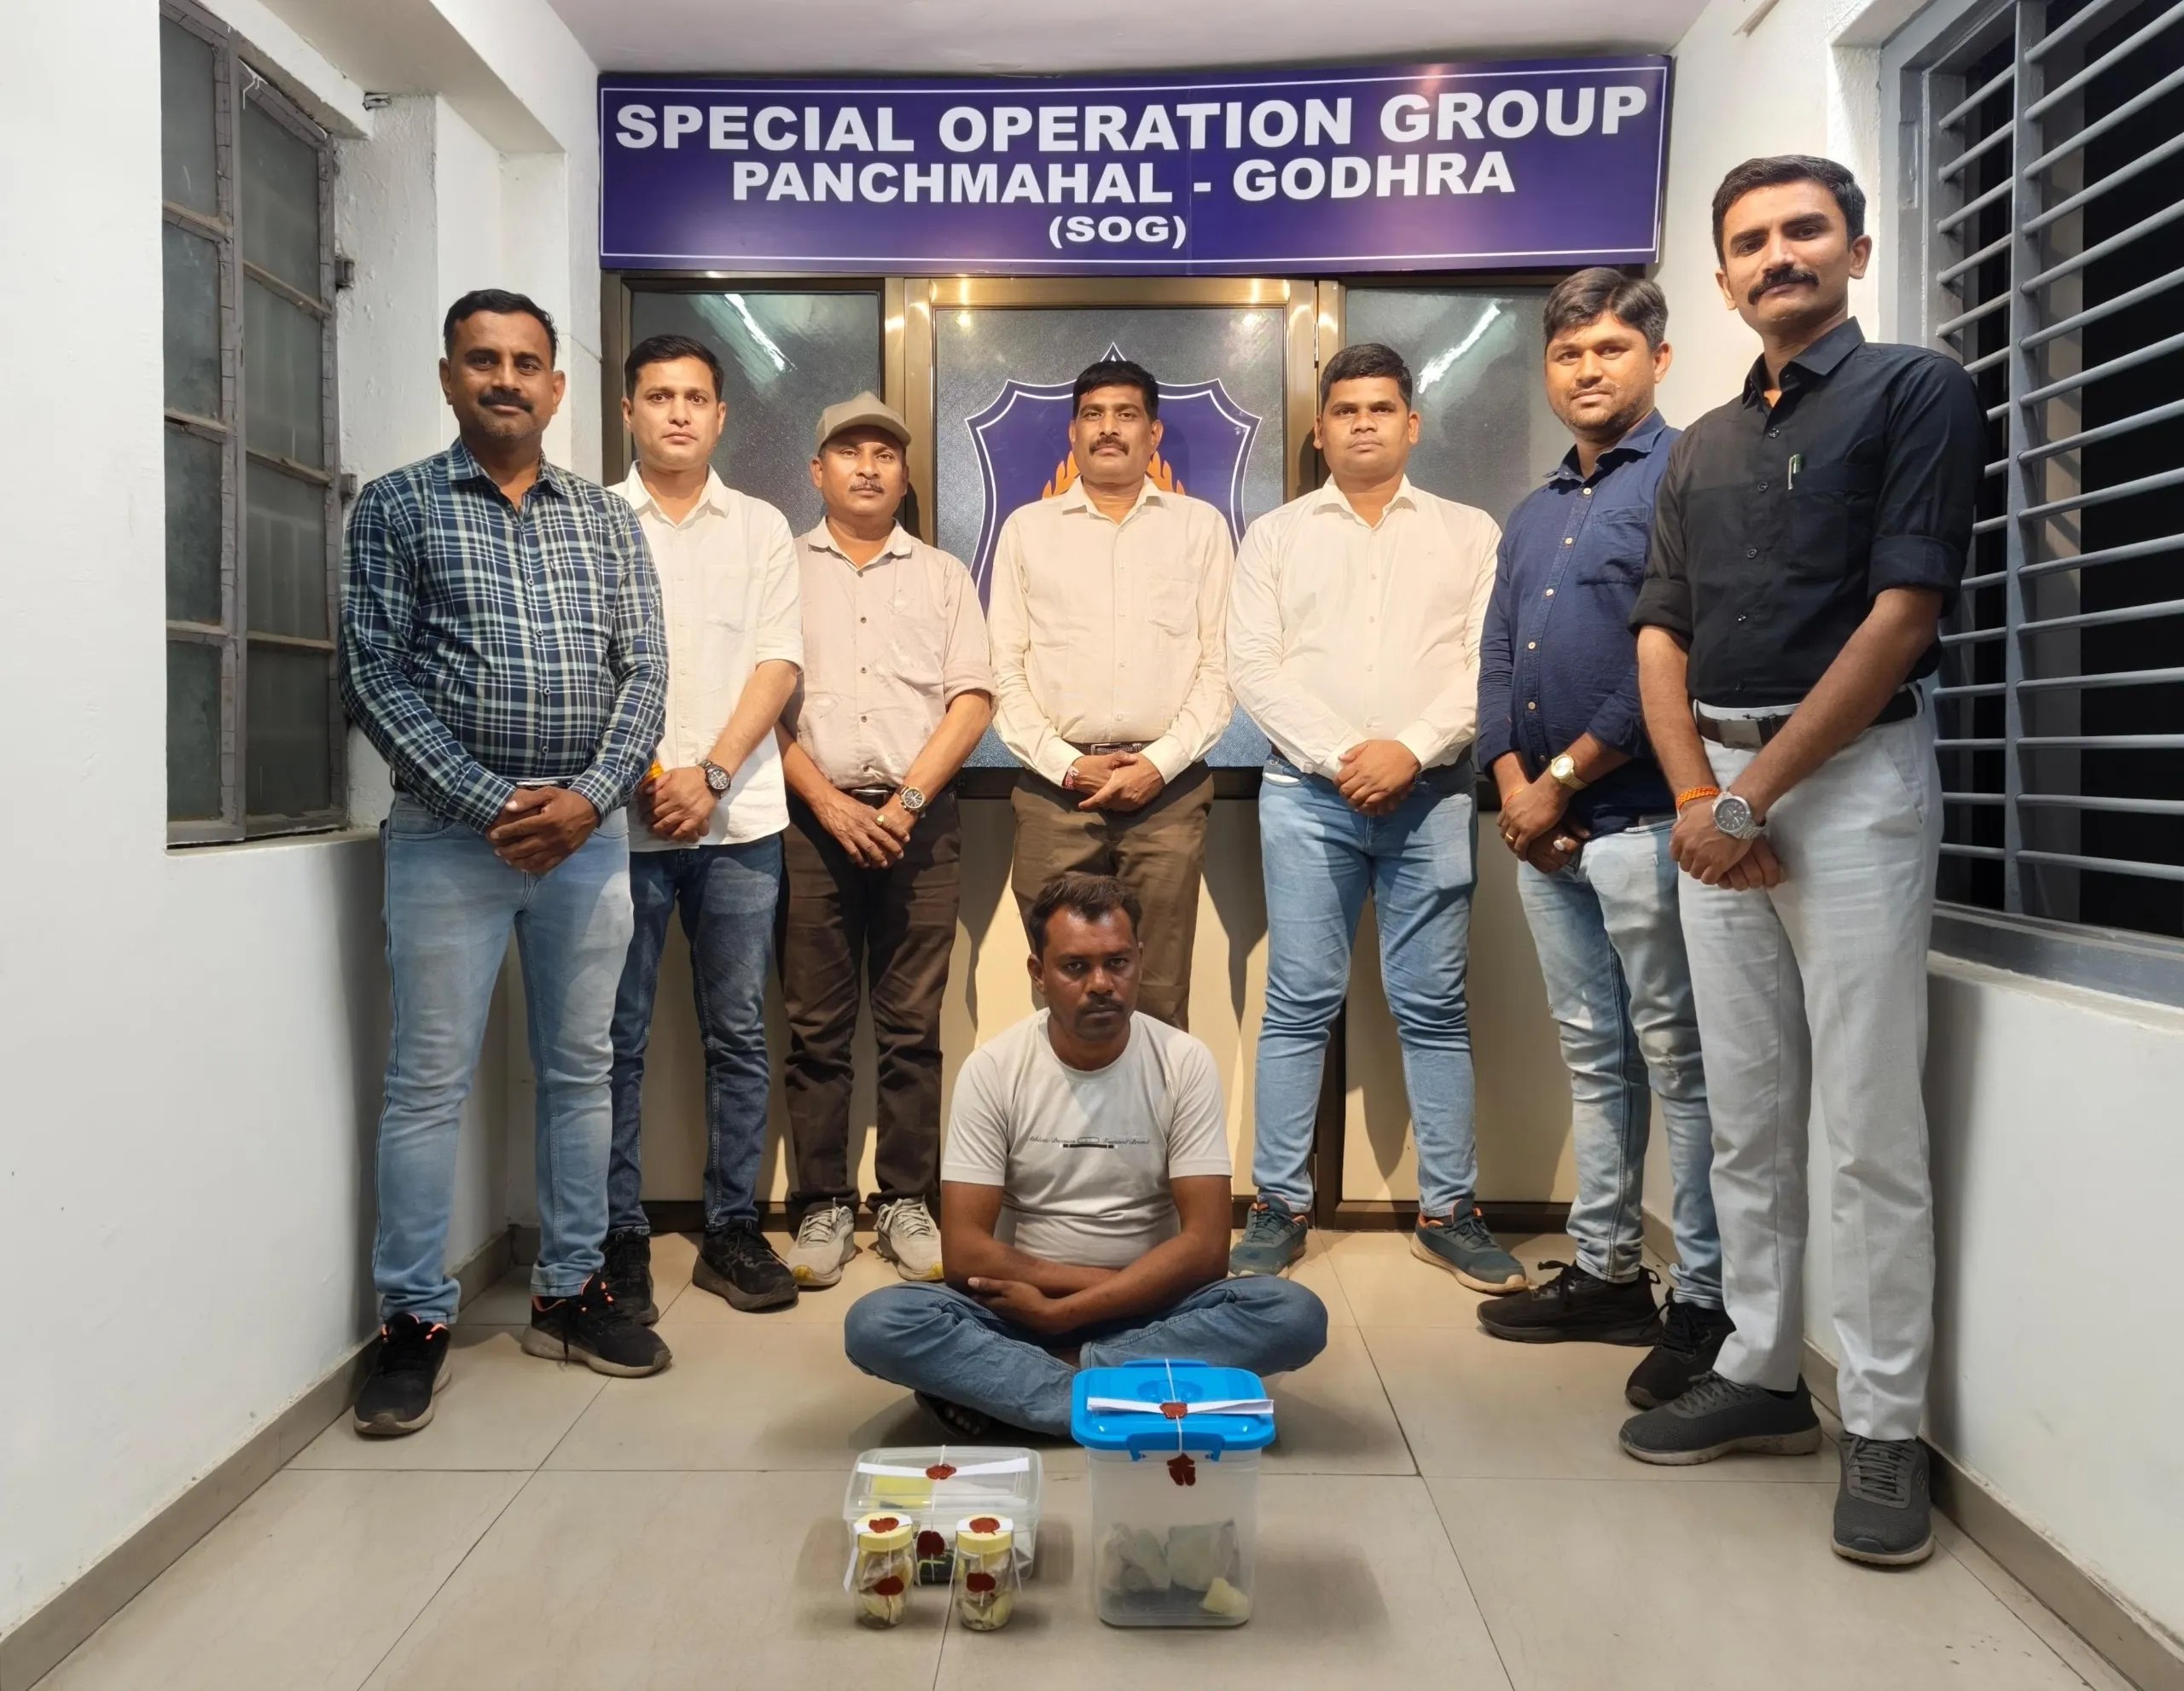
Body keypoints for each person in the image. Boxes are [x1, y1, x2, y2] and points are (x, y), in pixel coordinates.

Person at [1621, 156, 1984, 1568]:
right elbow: (1662, 630)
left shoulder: (1916, 391)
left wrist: (1751, 801)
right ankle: (1763, 1367)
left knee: (1868, 1123)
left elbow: (1902, 616)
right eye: (1751, 240)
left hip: (1849, 790)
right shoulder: (1701, 443)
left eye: (1804, 231)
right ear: (1722, 278)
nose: (1778, 255)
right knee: (1748, 1111)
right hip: (1716, 791)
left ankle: (1882, 1422)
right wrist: (1699, 796)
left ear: (1856, 248)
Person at [340, 289, 671, 1436]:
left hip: (586, 837)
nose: (505, 379)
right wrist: (495, 803)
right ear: (449, 377)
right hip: (450, 838)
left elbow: (646, 672)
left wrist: (586, 800)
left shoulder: (606, 518)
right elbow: (373, 674)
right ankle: (412, 1320)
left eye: (527, 362)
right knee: (427, 1082)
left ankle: (569, 1292)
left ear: (557, 386)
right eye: (482, 360)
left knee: (581, 1070)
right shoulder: (398, 505)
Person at [1472, 270, 1732, 1410]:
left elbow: (1674, 653)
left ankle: (1707, 1301)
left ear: (1658, 360)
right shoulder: (1534, 513)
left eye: (1611, 349)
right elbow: (1495, 657)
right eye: (1569, 353)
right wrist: (1513, 785)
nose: (1587, 369)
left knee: (1679, 1063)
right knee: (1594, 1058)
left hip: (1642, 825)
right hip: (1547, 839)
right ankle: (1610, 1271)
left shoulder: (1684, 476)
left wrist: (1563, 776)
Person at [842, 873, 1328, 1438]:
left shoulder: (1184, 1062)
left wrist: (1069, 1313)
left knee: (1293, 1314)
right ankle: (1130, 1397)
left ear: (1140, 960)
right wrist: (1068, 1298)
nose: (1101, 984)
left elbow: (1204, 1251)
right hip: (1020, 1312)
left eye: (1117, 963)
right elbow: (966, 1253)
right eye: (1075, 967)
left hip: (1153, 1308)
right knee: (878, 1323)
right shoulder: (994, 1070)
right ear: (1038, 974)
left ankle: (1034, 1390)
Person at [1225, 343, 1513, 1289]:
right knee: (1297, 1003)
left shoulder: (1470, 532)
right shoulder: (1275, 536)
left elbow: (1488, 662)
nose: (1362, 424)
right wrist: (1348, 757)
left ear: (1411, 424)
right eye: (1345, 410)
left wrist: (1410, 750)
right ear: (1319, 431)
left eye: (1380, 408)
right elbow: (1253, 664)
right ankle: (1279, 1205)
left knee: (1433, 1006)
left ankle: (1449, 1212)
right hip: (1307, 797)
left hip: (1433, 796)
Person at [602, 334, 804, 1317]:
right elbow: (585, 662)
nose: (677, 412)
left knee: (737, 1034)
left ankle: (730, 1229)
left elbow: (778, 662)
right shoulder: (592, 520)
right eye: (658, 396)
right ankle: (615, 1234)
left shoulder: (761, 527)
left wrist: (711, 773)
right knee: (613, 1040)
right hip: (620, 821)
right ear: (628, 412)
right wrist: (649, 775)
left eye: (694, 397)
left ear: (721, 416)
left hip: (741, 823)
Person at [775, 393, 994, 1289]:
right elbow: (759, 706)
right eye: (848, 452)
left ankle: (907, 1200)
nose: (867, 468)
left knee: (912, 1027)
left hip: (921, 821)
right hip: (807, 818)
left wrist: (904, 802)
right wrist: (828, 803)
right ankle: (822, 1204)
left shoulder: (942, 575)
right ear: (816, 470)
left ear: (905, 476)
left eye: (884, 455)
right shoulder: (780, 568)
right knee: (814, 1028)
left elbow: (972, 699)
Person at [987, 357, 1235, 1030]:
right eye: (1093, 415)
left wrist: (1158, 763)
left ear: (1154, 434)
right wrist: (1069, 765)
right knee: (1061, 992)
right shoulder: (1027, 530)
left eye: (1126, 415)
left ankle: (1155, 1107)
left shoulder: (1200, 528)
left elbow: (1221, 667)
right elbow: (1003, 669)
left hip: (1168, 794)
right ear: (1073, 433)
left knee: (1157, 990)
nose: (1108, 429)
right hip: (1054, 794)